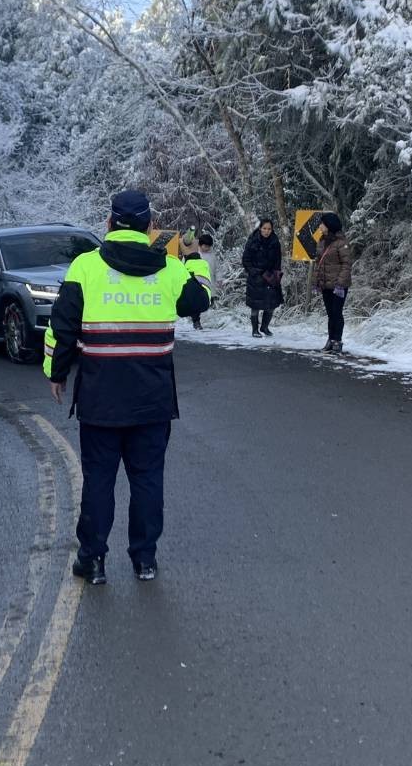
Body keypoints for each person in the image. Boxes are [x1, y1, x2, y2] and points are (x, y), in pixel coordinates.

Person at [45, 190, 210, 585]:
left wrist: (56, 371)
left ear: (108, 224)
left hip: (100, 400)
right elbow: (200, 299)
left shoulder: (85, 267)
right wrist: (192, 257)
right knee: (148, 479)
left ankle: (93, 560)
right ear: (150, 227)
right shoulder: (170, 269)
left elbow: (62, 326)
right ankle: (145, 559)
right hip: (152, 401)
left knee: (99, 480)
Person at [310, 214, 354, 354]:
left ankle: (337, 341)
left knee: (337, 312)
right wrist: (316, 281)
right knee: (330, 313)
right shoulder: (322, 241)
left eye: (322, 224)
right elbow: (319, 263)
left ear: (329, 225)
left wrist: (340, 284)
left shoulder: (341, 242)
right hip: (326, 284)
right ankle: (330, 340)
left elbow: (346, 264)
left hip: (338, 285)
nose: (320, 226)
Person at [241, 218, 283, 338]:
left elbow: (278, 260)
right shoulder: (252, 241)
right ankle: (255, 329)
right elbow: (246, 260)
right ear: (260, 228)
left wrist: (276, 274)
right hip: (256, 277)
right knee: (255, 305)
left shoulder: (275, 242)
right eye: (264, 228)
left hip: (271, 276)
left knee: (271, 305)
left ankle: (265, 327)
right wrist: (254, 273)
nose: (266, 231)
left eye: (269, 229)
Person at [182, 234, 215, 331]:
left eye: (209, 246)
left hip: (208, 282)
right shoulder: (192, 255)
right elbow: (183, 267)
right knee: (196, 301)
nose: (207, 248)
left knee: (207, 302)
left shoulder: (212, 256)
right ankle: (196, 321)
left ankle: (201, 320)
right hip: (195, 282)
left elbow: (216, 269)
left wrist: (219, 279)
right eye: (205, 246)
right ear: (200, 245)